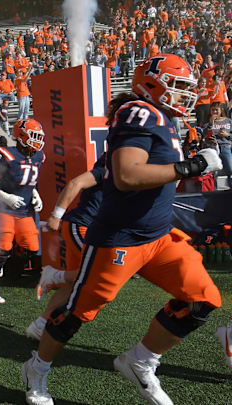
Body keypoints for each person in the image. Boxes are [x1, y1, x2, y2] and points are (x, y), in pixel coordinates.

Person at [22, 55, 224, 405]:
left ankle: (141, 361)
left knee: (201, 299)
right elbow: (127, 175)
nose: (184, 95)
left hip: (159, 237)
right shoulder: (139, 112)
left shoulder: (164, 119)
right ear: (151, 84)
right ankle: (36, 368)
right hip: (120, 239)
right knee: (75, 314)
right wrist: (189, 166)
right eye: (177, 87)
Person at [26, 153, 106, 340]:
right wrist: (56, 215)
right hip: (82, 226)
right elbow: (74, 183)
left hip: (91, 229)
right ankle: (54, 275)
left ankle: (39, 326)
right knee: (100, 271)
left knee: (73, 283)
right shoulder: (108, 169)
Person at [0, 119, 45, 304]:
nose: (37, 141)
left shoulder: (38, 156)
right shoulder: (5, 155)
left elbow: (28, 179)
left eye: (38, 137)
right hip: (3, 208)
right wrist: (5, 196)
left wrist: (34, 193)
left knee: (31, 247)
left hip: (24, 209)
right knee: (3, 248)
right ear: (20, 136)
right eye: (33, 136)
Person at [204, 102, 232, 175]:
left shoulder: (228, 121)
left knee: (230, 169)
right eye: (212, 110)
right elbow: (204, 135)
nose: (214, 112)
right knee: (214, 172)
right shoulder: (207, 122)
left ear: (221, 110)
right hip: (212, 148)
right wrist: (210, 123)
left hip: (225, 147)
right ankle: (214, 186)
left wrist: (227, 135)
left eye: (216, 110)